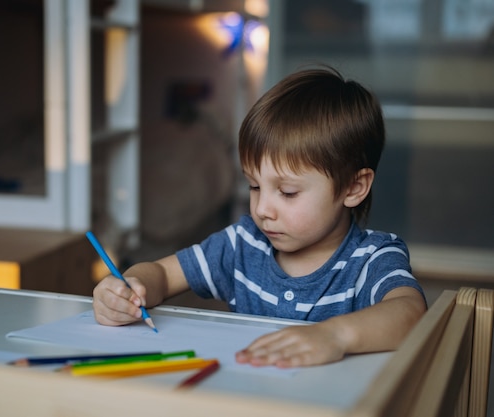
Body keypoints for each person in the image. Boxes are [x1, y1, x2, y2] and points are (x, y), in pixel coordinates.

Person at [92, 66, 427, 368]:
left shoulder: (372, 258)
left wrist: (335, 336)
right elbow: (162, 274)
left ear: (354, 187)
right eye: (254, 186)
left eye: (288, 192)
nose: (262, 209)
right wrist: (131, 287)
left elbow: (410, 313)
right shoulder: (242, 244)